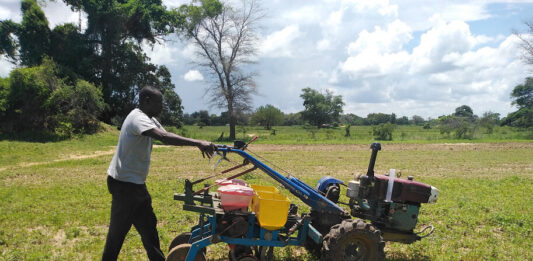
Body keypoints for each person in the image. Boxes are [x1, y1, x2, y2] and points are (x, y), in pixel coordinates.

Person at [102, 86, 216, 261]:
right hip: (125, 186)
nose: (162, 106)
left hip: (136, 185)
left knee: (149, 229)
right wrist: (197, 142)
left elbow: (166, 133)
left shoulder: (149, 119)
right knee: (116, 236)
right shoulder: (137, 118)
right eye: (159, 102)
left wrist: (203, 143)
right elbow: (163, 137)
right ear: (147, 101)